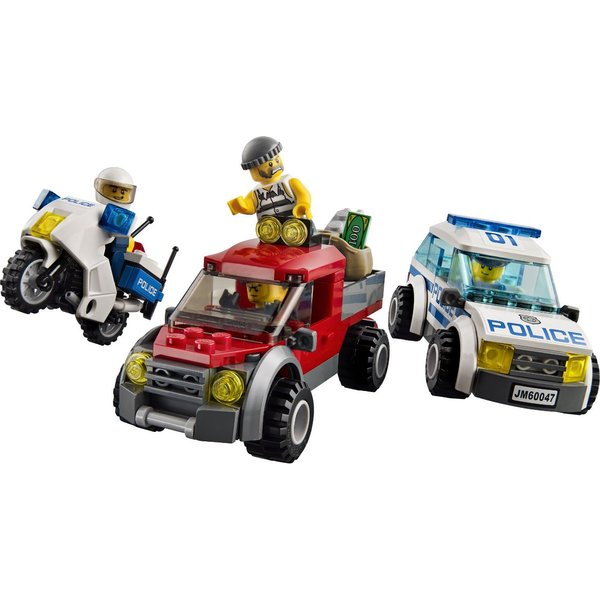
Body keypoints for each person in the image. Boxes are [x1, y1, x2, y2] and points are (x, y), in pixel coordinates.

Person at [227, 136, 312, 221]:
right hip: (268, 228)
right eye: (270, 164)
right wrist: (241, 206)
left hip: (293, 224)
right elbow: (251, 207)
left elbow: (303, 194)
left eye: (277, 160)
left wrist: (303, 204)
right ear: (253, 170)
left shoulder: (290, 182)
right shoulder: (255, 193)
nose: (275, 165)